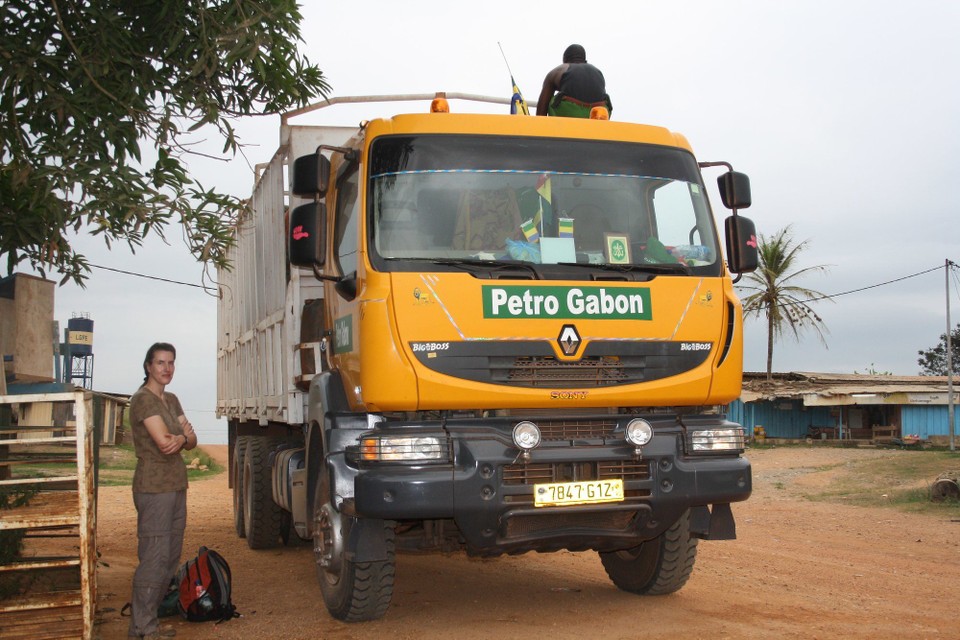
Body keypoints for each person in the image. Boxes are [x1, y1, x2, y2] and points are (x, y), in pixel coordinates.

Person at [127, 342, 197, 639]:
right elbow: (165, 442)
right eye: (160, 363)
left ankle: (146, 624)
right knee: (154, 558)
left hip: (176, 485)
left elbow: (190, 440)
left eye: (170, 362)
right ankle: (142, 629)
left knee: (169, 559)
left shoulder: (171, 399)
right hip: (154, 488)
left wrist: (181, 438)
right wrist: (182, 437)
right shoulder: (143, 400)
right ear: (148, 366)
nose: (166, 368)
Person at [536, 44, 612, 118]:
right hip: (598, 113)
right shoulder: (597, 71)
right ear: (585, 60)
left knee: (551, 99)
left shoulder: (559, 70)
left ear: (565, 60)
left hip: (571, 111)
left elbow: (542, 105)